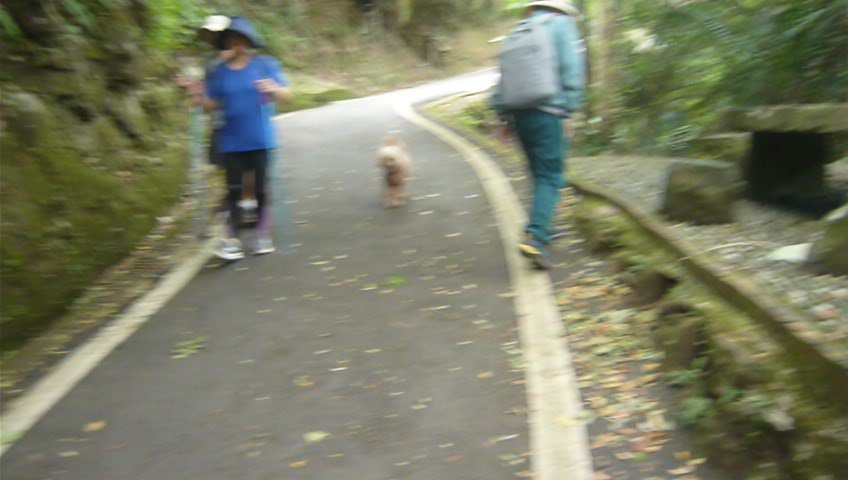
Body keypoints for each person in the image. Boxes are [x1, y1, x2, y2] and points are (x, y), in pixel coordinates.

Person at [189, 16, 293, 260]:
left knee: (259, 188)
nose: (237, 44)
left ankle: (261, 235)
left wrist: (273, 89)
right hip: (232, 140)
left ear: (249, 41)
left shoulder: (265, 65)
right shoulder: (220, 73)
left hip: (260, 138)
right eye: (232, 39)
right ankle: (232, 239)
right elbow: (211, 104)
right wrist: (196, 96)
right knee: (234, 190)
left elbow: (288, 95)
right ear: (226, 42)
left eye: (241, 39)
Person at [491, 0, 585, 270]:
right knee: (552, 176)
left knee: (538, 172)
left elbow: (503, 79)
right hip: (549, 112)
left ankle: (544, 225)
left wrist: (502, 117)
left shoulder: (520, 29)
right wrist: (571, 110)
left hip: (520, 113)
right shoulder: (562, 26)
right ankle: (536, 236)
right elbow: (571, 70)